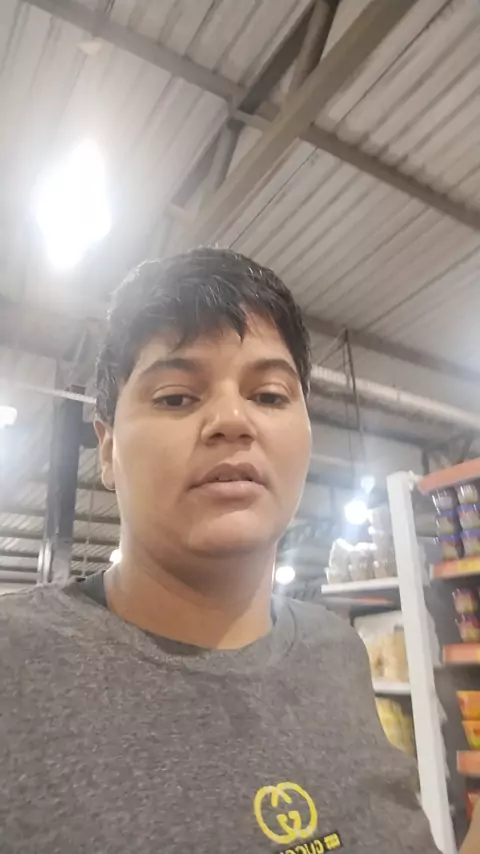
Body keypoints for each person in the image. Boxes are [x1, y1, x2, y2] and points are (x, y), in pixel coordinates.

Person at [0, 247, 474, 853]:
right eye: (176, 396)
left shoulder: (336, 652)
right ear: (108, 448)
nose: (232, 419)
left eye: (270, 396)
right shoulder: (17, 662)